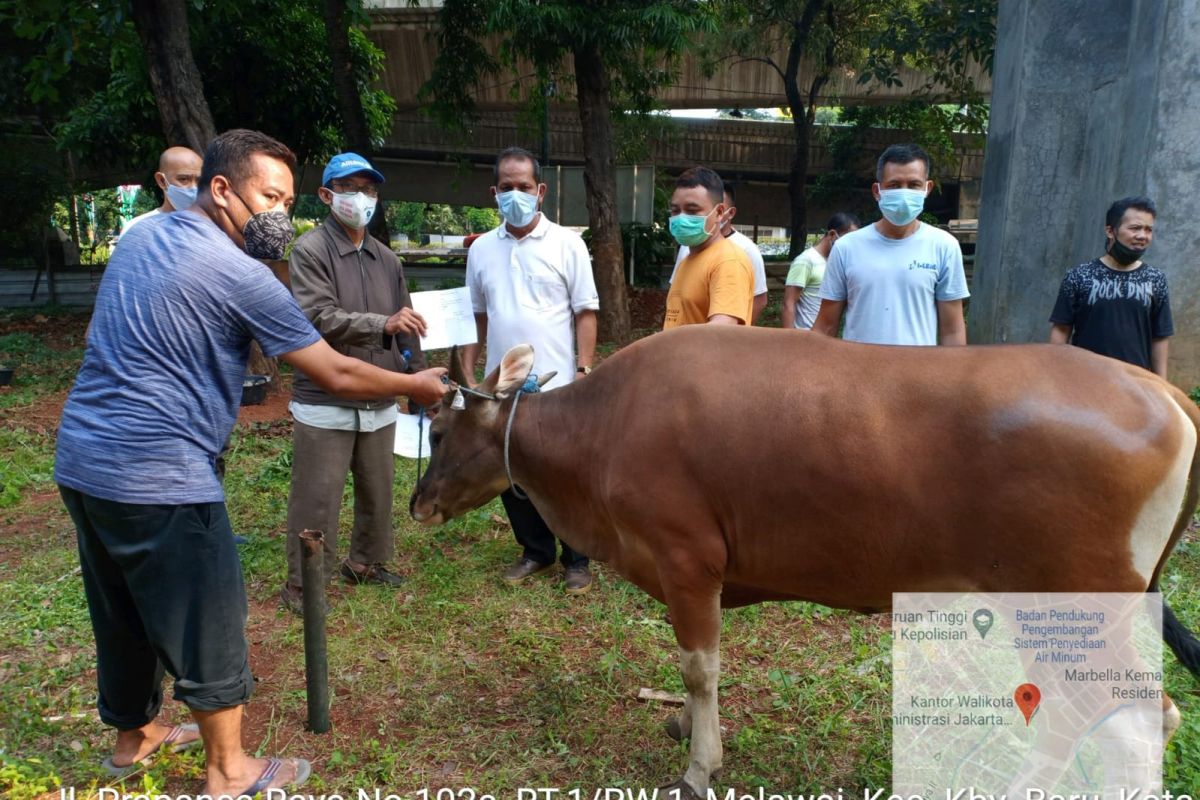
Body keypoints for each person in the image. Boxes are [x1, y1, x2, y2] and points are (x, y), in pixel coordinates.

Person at [54, 129, 447, 793]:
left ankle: (134, 737)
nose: (279, 216)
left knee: (120, 611)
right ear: (220, 189)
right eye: (269, 196)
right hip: (163, 473)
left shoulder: (142, 239)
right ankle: (229, 770)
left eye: (288, 202)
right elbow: (337, 372)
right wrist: (416, 385)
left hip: (83, 460)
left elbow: (103, 333)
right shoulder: (242, 276)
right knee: (211, 615)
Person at [281, 153, 428, 615]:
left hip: (379, 395)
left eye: (368, 189)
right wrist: (381, 323)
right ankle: (305, 588)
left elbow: (407, 324)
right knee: (317, 499)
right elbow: (316, 317)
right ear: (326, 196)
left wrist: (416, 381)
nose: (360, 198)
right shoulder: (310, 252)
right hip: (327, 395)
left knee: (377, 491)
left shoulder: (387, 259)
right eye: (349, 188)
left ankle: (365, 563)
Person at [461, 146, 599, 594]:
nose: (515, 194)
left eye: (523, 187)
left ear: (540, 192)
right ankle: (535, 551)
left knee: (564, 469)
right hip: (503, 384)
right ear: (493, 193)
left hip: (558, 383)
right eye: (506, 187)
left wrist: (583, 369)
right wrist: (468, 368)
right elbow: (476, 316)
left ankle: (577, 557)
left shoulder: (568, 244)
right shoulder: (481, 250)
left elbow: (585, 312)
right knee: (510, 466)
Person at [811, 143, 968, 346]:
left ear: (927, 188)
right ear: (877, 191)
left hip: (917, 375)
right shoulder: (846, 248)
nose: (904, 193)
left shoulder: (944, 246)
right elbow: (825, 326)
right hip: (859, 374)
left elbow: (953, 330)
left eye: (913, 185)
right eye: (894, 185)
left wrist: (953, 376)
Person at [1049, 196, 1172, 378]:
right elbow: (1061, 330)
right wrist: (1055, 378)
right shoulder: (1078, 276)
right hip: (1085, 381)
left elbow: (1160, 336)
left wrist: (1162, 385)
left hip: (1135, 384)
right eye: (1135, 228)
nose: (1142, 236)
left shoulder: (1156, 279)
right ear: (1110, 231)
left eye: (1148, 230)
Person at [663, 166, 754, 329]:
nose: (681, 218)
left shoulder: (728, 261)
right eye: (675, 210)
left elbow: (720, 331)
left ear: (719, 212)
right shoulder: (687, 260)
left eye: (692, 210)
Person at [782, 212, 860, 330]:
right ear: (832, 234)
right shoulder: (806, 260)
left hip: (825, 337)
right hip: (804, 337)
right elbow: (788, 303)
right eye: (848, 240)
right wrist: (789, 341)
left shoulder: (837, 262)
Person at [119, 146, 204, 238]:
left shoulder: (211, 227)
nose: (193, 187)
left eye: (199, 181)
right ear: (162, 181)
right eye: (184, 179)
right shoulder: (138, 230)